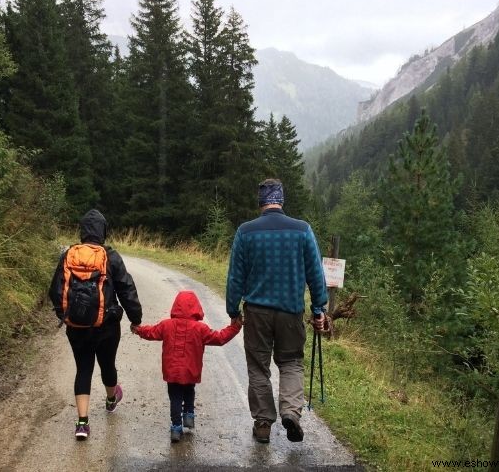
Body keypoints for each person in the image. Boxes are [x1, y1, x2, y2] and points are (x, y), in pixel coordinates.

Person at [226, 178, 328, 444]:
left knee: (258, 367)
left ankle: (263, 424)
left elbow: (236, 276)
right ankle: (291, 412)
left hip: (257, 312)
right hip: (291, 312)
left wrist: (232, 308)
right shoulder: (302, 230)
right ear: (281, 199)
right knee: (291, 362)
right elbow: (316, 274)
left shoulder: (245, 232)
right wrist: (319, 309)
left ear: (260, 201)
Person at [48, 209, 143, 440]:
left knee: (83, 369)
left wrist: (66, 315)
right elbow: (126, 289)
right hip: (106, 326)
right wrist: (135, 319)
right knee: (107, 364)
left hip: (76, 327)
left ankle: (82, 423)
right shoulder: (110, 256)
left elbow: (55, 290)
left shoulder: (68, 254)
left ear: (82, 231)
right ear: (103, 231)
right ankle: (111, 400)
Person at [132, 290, 242, 443]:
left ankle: (176, 428)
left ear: (175, 307)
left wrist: (138, 330)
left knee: (175, 398)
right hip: (191, 370)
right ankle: (189, 415)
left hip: (172, 371)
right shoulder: (200, 328)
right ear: (196, 308)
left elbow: (151, 332)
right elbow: (219, 338)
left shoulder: (166, 325)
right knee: (189, 390)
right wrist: (235, 327)